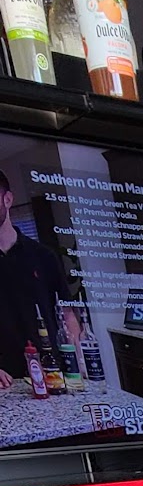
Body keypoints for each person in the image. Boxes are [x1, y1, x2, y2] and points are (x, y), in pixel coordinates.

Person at [0, 168, 82, 391]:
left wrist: (78, 365)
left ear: (7, 199)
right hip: (5, 382)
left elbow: (67, 313)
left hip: (51, 375)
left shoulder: (43, 256)